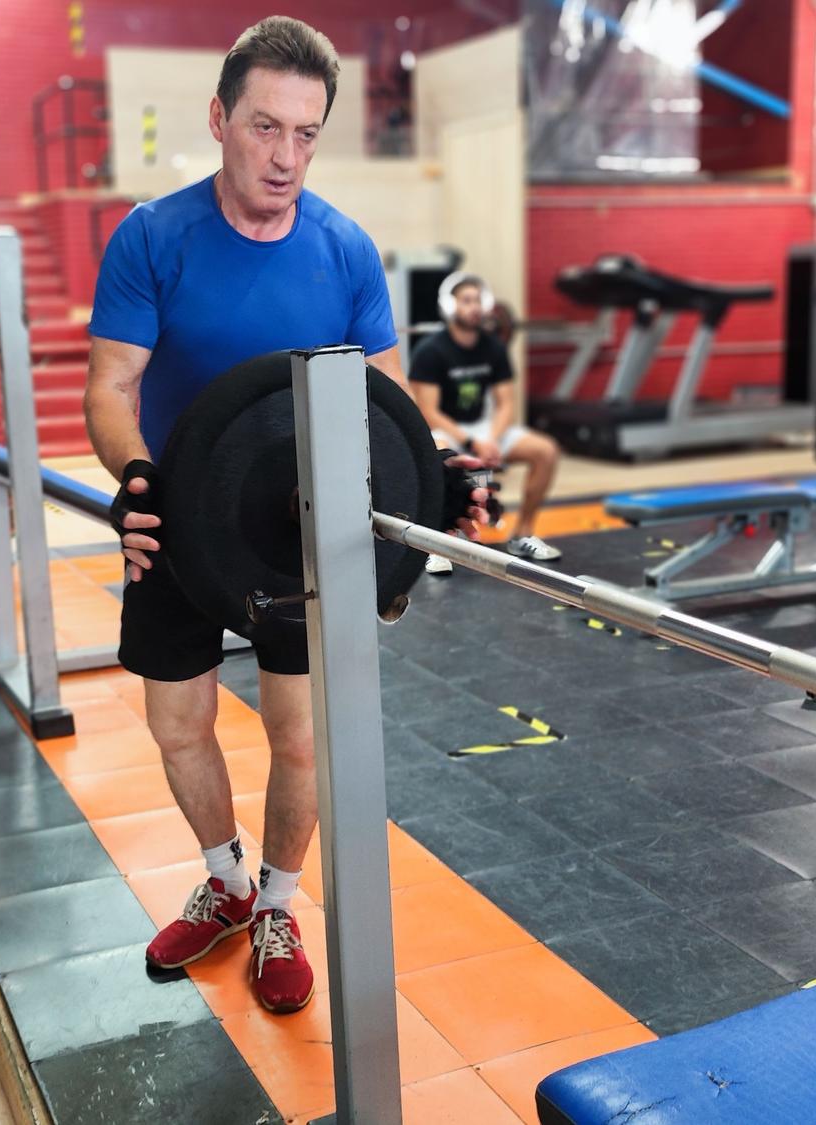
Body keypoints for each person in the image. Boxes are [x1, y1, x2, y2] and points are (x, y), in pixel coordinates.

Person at [84, 16, 483, 1015]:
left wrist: (438, 472)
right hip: (178, 521)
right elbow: (109, 383)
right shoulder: (151, 237)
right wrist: (134, 478)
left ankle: (276, 903)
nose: (284, 155)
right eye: (265, 127)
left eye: (305, 134)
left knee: (299, 740)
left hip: (300, 533)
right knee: (178, 724)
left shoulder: (344, 250)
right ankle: (221, 880)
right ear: (219, 119)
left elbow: (388, 412)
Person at [408, 272, 564, 573]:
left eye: (478, 300)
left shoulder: (493, 348)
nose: (474, 307)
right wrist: (470, 443)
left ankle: (522, 534)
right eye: (466, 300)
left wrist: (491, 437)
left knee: (545, 450)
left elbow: (506, 403)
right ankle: (435, 545)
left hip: (484, 428)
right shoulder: (430, 351)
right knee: (437, 454)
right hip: (446, 431)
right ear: (450, 305)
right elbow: (428, 411)